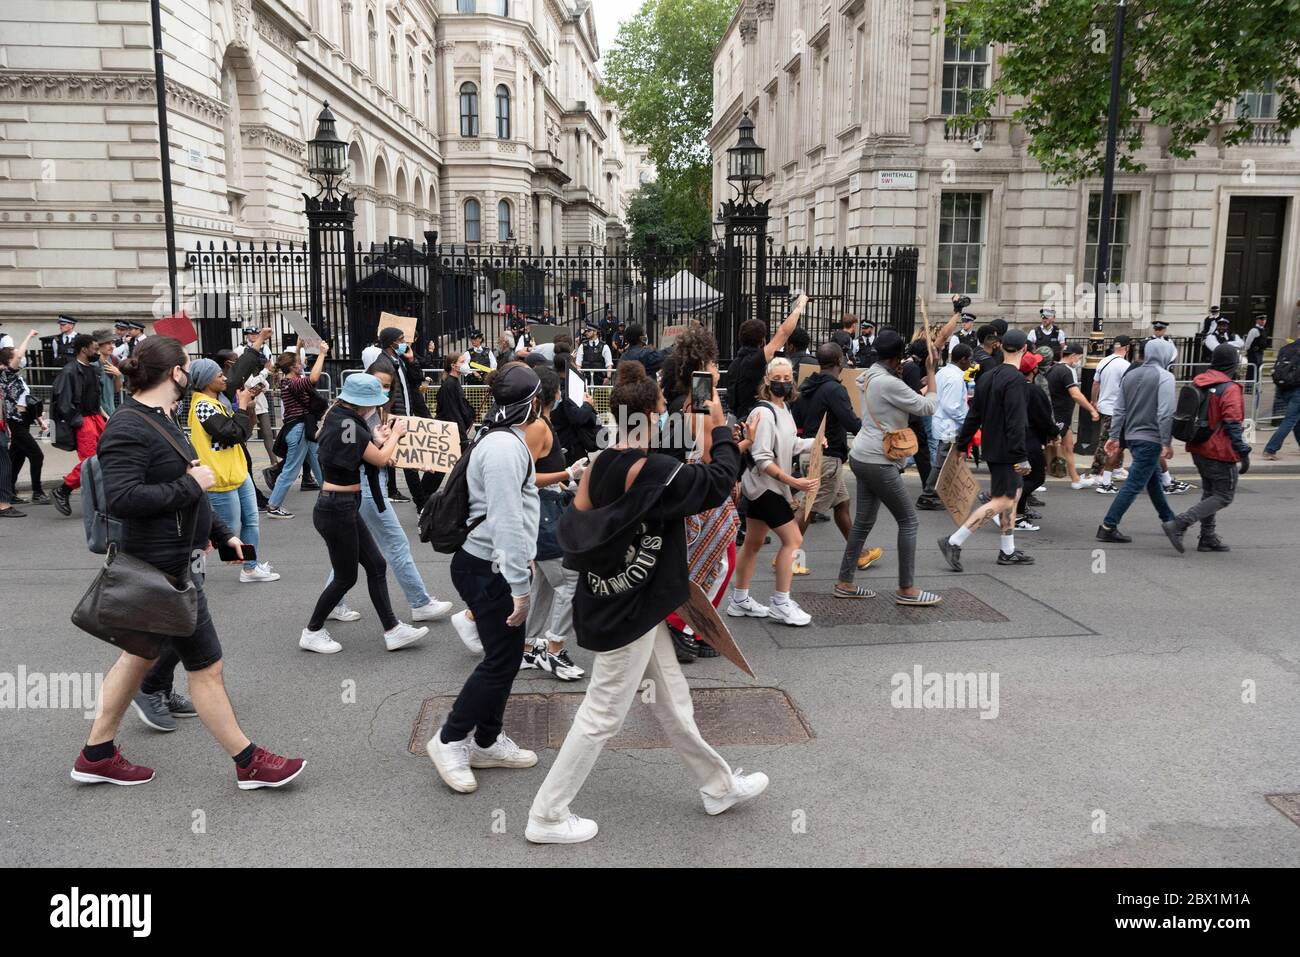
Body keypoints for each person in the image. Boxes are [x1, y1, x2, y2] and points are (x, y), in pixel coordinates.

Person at [525, 360, 766, 845]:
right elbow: (719, 481)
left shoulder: (602, 464)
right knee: (601, 714)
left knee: (673, 698)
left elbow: (579, 528)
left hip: (619, 599)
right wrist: (720, 426)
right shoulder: (656, 473)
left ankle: (718, 786)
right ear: (654, 414)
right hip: (628, 611)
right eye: (661, 409)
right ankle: (547, 815)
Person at [71, 335, 305, 789]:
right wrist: (193, 485)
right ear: (175, 373)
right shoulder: (128, 426)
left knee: (137, 659)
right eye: (186, 366)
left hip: (174, 562)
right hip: (161, 568)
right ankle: (249, 762)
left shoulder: (160, 419)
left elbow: (186, 487)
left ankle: (96, 754)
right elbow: (124, 498)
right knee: (207, 667)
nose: (190, 372)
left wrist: (223, 533)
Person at [426, 363, 543, 795]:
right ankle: (450, 739)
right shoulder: (504, 448)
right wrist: (519, 586)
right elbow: (507, 520)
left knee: (505, 658)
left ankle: (488, 741)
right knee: (499, 662)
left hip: (489, 564)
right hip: (487, 568)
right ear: (532, 404)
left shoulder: (499, 437)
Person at [299, 374, 430, 654]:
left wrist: (375, 438)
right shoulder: (351, 424)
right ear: (364, 403)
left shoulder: (339, 416)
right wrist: (393, 436)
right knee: (346, 578)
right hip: (337, 508)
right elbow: (381, 459)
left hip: (340, 506)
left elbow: (361, 449)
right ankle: (312, 631)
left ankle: (392, 629)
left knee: (376, 565)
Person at [323, 361, 454, 629]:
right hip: (363, 489)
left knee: (351, 554)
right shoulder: (351, 418)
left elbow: (380, 454)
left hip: (363, 487)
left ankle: (331, 606)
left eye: (386, 386)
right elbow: (378, 456)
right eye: (378, 385)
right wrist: (390, 438)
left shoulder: (350, 415)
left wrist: (413, 457)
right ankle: (419, 603)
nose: (382, 391)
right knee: (394, 545)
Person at [834, 329, 942, 604]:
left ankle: (845, 582)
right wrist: (931, 371)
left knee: (863, 523)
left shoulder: (870, 375)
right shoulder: (889, 382)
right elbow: (927, 407)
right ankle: (907, 589)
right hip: (878, 459)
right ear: (896, 358)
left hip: (862, 453)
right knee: (909, 521)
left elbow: (903, 396)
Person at [661, 328, 743, 661]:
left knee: (708, 561)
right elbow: (711, 452)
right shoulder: (704, 396)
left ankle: (696, 626)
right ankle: (680, 624)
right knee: (717, 563)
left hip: (697, 486)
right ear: (702, 366)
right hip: (706, 490)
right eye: (713, 363)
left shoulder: (694, 396)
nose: (718, 369)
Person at [727, 357, 818, 626]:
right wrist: (794, 482)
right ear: (766, 380)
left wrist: (814, 442)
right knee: (793, 541)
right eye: (777, 378)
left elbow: (789, 443)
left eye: (787, 378)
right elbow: (763, 458)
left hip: (763, 487)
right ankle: (780, 602)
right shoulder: (765, 413)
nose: (782, 382)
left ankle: (740, 599)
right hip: (765, 487)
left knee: (753, 543)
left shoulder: (783, 408)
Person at [939, 328, 1035, 572]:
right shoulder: (1015, 381)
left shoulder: (988, 376)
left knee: (1011, 496)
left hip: (992, 447)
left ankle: (1008, 549)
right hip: (1008, 451)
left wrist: (963, 444)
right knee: (1003, 499)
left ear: (1002, 347)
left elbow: (974, 414)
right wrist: (1022, 456)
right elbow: (1016, 422)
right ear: (1024, 349)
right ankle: (953, 540)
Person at [184, 358, 279, 583]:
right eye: (219, 375)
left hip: (237, 472)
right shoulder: (203, 405)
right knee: (224, 532)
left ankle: (250, 568)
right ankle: (188, 563)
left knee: (251, 522)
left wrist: (249, 408)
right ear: (206, 381)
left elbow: (241, 433)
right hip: (220, 478)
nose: (225, 378)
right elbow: (231, 433)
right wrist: (243, 405)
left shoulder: (217, 403)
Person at [521, 366, 588, 681]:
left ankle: (527, 647)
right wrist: (568, 475)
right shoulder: (538, 427)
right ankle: (554, 651)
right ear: (553, 394)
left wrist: (567, 483)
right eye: (560, 389)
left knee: (547, 584)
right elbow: (526, 477)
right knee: (569, 583)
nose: (564, 393)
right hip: (542, 515)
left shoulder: (541, 423)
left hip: (546, 511)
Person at [795, 342, 885, 571]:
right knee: (808, 509)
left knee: (841, 504)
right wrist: (876, 435)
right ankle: (788, 555)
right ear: (840, 362)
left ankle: (858, 553)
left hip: (812, 453)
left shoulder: (807, 386)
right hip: (827, 458)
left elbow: (797, 418)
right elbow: (851, 421)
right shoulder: (834, 389)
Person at [1163, 344, 1252, 553]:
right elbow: (1232, 422)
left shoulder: (1201, 380)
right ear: (1233, 363)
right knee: (1224, 495)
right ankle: (1179, 523)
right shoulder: (1229, 388)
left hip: (1198, 445)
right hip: (1219, 449)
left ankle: (1207, 536)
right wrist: (1243, 452)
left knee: (1210, 492)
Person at [1095, 336, 1182, 547]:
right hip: (1151, 438)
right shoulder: (1165, 377)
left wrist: (1114, 437)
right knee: (1134, 484)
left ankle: (1170, 520)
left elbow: (1120, 409)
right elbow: (1165, 413)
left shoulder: (1131, 375)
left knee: (1152, 481)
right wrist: (1165, 442)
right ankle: (1108, 526)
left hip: (1133, 436)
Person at [373, 326, 436, 509]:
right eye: (401, 339)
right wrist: (388, 417)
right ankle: (420, 504)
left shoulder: (398, 360)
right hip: (395, 418)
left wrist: (411, 360)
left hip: (405, 415)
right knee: (409, 463)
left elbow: (415, 382)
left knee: (408, 462)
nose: (404, 342)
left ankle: (417, 502)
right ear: (392, 342)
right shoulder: (382, 364)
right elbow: (382, 395)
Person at [265, 343, 327, 518]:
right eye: (300, 362)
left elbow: (302, 368)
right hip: (299, 430)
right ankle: (274, 506)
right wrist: (322, 353)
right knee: (291, 470)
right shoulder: (292, 383)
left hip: (304, 429)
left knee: (319, 465)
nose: (303, 363)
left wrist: (299, 344)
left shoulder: (289, 380)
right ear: (293, 367)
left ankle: (330, 498)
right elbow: (313, 378)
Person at [725, 295, 807, 420]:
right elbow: (784, 333)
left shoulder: (735, 364)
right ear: (761, 340)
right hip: (753, 420)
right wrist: (800, 306)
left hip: (738, 418)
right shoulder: (754, 362)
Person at [49, 333, 105, 517]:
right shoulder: (69, 371)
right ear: (84, 349)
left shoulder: (92, 369)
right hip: (84, 420)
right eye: (95, 348)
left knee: (106, 457)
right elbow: (63, 401)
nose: (97, 352)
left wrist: (103, 417)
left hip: (95, 418)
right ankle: (63, 490)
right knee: (91, 462)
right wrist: (78, 421)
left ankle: (98, 498)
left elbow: (95, 397)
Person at [917, 343, 972, 510]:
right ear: (963, 359)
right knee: (942, 462)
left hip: (943, 423)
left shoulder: (944, 372)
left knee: (949, 462)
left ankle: (944, 492)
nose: (971, 363)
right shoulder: (954, 378)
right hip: (949, 426)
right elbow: (951, 406)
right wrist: (966, 420)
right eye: (970, 359)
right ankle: (927, 494)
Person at [1045, 343, 1100, 489]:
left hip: (1061, 416)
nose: (1079, 361)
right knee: (1041, 446)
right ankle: (1030, 480)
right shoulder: (1066, 371)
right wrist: (1092, 410)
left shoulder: (1053, 369)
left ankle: (1075, 479)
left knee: (1068, 447)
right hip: (1059, 417)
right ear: (1074, 356)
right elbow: (1075, 394)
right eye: (1079, 358)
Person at [1015, 351, 1058, 531]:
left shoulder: (1012, 388)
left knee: (1022, 478)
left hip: (1013, 439)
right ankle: (1012, 510)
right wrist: (1054, 432)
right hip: (1030, 439)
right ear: (1033, 370)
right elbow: (1044, 418)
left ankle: (1017, 512)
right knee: (1036, 478)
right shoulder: (1034, 390)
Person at [2, 331, 45, 507]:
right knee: (37, 455)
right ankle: (37, 491)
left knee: (16, 458)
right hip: (15, 422)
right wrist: (29, 335)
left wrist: (39, 420)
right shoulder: (5, 375)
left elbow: (26, 400)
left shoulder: (16, 377)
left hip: (24, 420)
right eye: (16, 356)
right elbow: (19, 354)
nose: (20, 358)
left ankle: (10, 491)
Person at [1087, 336, 1132, 493]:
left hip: (1105, 405)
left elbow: (1095, 383)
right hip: (1116, 409)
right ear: (1127, 348)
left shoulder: (1103, 361)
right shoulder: (1126, 365)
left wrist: (1094, 400)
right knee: (1107, 440)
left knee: (1118, 438)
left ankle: (1117, 468)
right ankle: (1095, 472)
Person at [234, 326, 278, 466]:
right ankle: (242, 462)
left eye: (255, 334)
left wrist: (264, 380)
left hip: (259, 394)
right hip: (245, 395)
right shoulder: (240, 350)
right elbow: (247, 380)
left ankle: (274, 463)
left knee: (267, 431)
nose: (253, 336)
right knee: (245, 432)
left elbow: (267, 377)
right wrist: (265, 372)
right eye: (250, 334)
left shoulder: (265, 349)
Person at [1263, 335, 1300, 460]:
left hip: (1283, 389)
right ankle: (1270, 449)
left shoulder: (1285, 348)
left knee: (1296, 421)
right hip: (1297, 390)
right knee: (1290, 420)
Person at [1242, 314, 1270, 383]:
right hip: (1254, 352)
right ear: (1257, 320)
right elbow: (1248, 342)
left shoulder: (1263, 329)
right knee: (1252, 369)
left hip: (1260, 352)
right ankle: (1250, 387)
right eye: (1261, 320)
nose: (1263, 321)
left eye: (1264, 320)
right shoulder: (1254, 330)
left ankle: (1256, 385)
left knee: (1258, 369)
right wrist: (1247, 350)